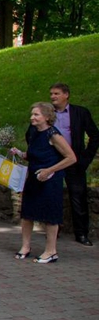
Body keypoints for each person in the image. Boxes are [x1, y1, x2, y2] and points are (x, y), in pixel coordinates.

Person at [11, 103, 77, 263]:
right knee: (27, 213)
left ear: (47, 117)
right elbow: (35, 153)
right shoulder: (34, 132)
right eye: (32, 114)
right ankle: (26, 246)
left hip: (50, 179)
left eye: (36, 115)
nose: (32, 117)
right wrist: (20, 153)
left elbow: (71, 158)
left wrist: (49, 170)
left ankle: (51, 251)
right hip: (33, 177)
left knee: (50, 215)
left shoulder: (53, 134)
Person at [47, 83, 98, 246]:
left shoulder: (80, 113)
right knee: (50, 195)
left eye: (56, 94)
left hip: (74, 160)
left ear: (66, 95)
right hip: (52, 159)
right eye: (51, 94)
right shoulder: (47, 113)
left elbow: (95, 136)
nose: (53, 97)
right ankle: (53, 229)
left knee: (78, 196)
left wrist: (85, 158)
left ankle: (81, 233)